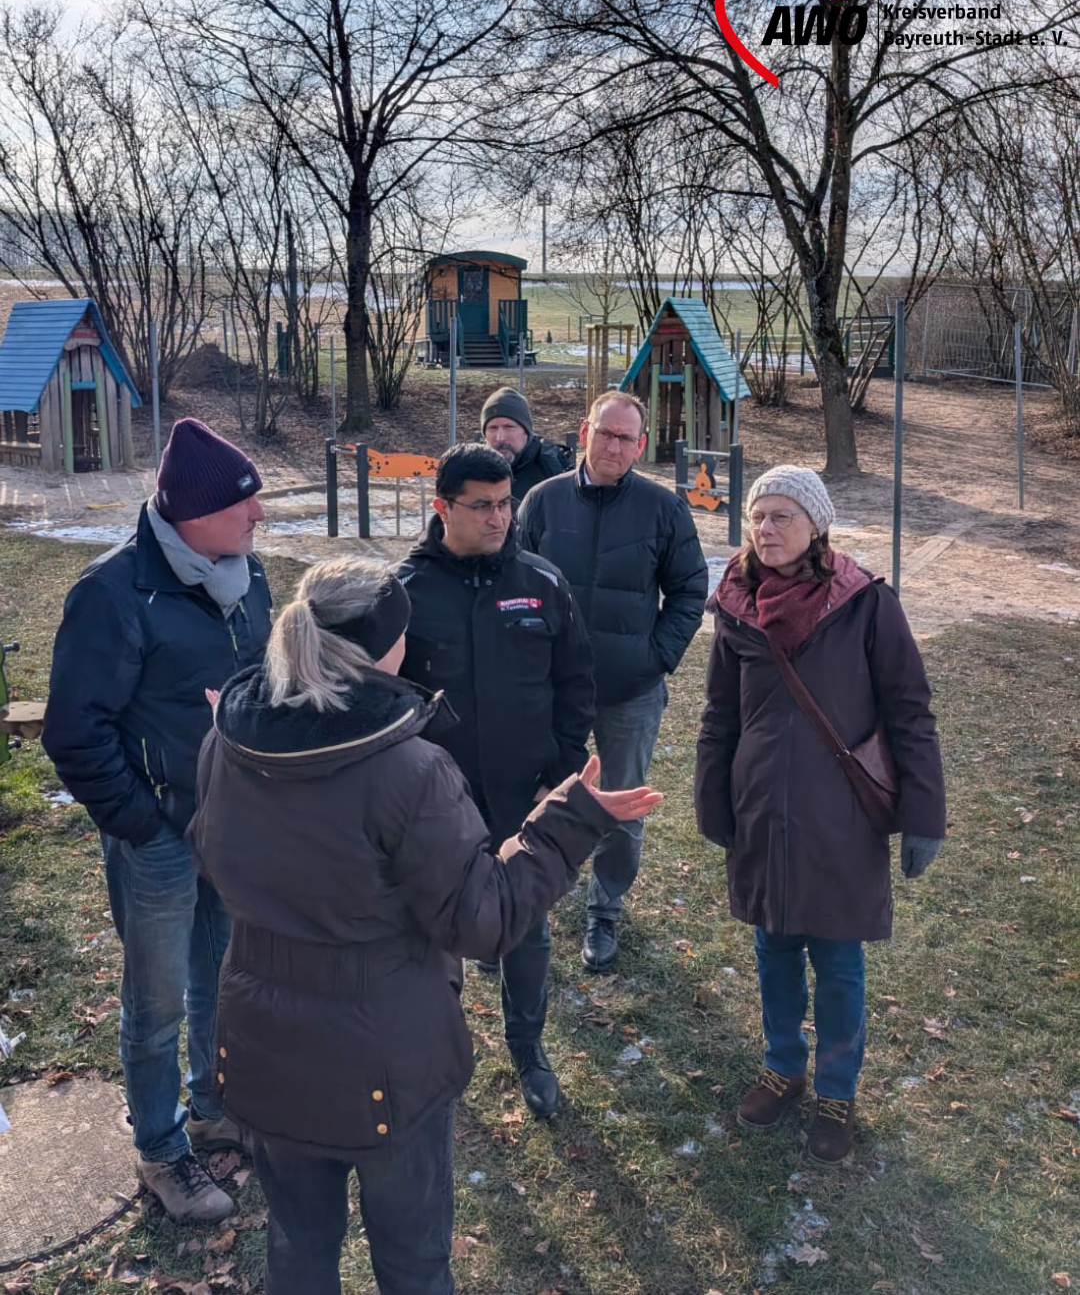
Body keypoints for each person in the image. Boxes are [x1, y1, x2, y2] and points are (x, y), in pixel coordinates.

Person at [188, 559, 661, 1295]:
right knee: (413, 1264)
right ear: (387, 647)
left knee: (297, 1251)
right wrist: (562, 825)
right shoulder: (408, 769)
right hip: (386, 1058)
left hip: (261, 1049)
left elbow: (210, 855)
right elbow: (484, 921)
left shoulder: (227, 742)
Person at [42, 418, 272, 1223]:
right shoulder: (113, 594)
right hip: (157, 840)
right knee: (157, 1002)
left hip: (229, 828)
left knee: (221, 979)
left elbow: (259, 686)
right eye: (245, 503)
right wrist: (142, 823)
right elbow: (75, 733)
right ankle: (160, 1146)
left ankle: (212, 1107)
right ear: (196, 514)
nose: (260, 515)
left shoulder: (248, 575)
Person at [694, 465, 946, 1165]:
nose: (765, 528)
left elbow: (910, 712)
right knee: (774, 946)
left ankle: (837, 1090)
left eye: (782, 516)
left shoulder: (865, 602)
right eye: (757, 516)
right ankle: (783, 1066)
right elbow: (720, 715)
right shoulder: (737, 604)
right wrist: (713, 798)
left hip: (841, 815)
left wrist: (925, 815)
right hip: (761, 810)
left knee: (836, 959)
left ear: (816, 526)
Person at [394, 443, 594, 1118]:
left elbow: (576, 687)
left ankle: (528, 1050)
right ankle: (436, 1053)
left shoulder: (543, 583)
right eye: (482, 506)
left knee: (524, 928)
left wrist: (558, 776)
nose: (499, 518)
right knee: (431, 933)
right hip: (436, 805)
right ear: (442, 508)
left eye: (506, 503)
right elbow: (381, 700)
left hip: (522, 793)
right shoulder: (405, 592)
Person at [518, 389, 708, 972]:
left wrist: (656, 657)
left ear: (641, 446)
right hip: (552, 690)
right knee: (544, 796)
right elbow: (512, 579)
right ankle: (531, 896)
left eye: (626, 438)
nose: (614, 446)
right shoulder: (543, 501)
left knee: (622, 808)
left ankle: (605, 910)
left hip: (630, 691)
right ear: (585, 432)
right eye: (605, 433)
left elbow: (689, 590)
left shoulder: (663, 509)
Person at [481, 387, 574, 500]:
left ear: (526, 432)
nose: (500, 438)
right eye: (493, 428)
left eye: (509, 427)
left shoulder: (552, 471)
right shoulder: (474, 471)